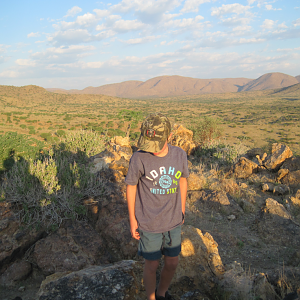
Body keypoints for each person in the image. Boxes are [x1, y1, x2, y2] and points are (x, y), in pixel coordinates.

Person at [125, 113, 189, 300]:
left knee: (172, 262)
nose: (151, 149)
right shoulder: (139, 157)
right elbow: (131, 186)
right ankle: (151, 298)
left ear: (169, 137)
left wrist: (182, 209)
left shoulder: (179, 155)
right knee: (151, 265)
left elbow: (183, 180)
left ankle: (162, 294)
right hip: (149, 221)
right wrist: (132, 220)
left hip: (173, 220)